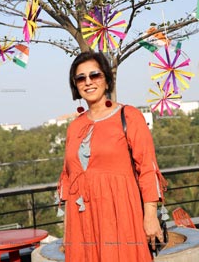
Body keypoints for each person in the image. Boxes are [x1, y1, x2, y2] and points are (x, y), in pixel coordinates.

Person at [58, 51, 167, 262]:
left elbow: (147, 168)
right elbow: (68, 177)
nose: (88, 82)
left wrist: (150, 216)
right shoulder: (74, 127)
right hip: (82, 222)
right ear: (76, 86)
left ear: (107, 80)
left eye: (94, 75)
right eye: (81, 78)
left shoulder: (129, 116)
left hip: (121, 215)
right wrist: (67, 231)